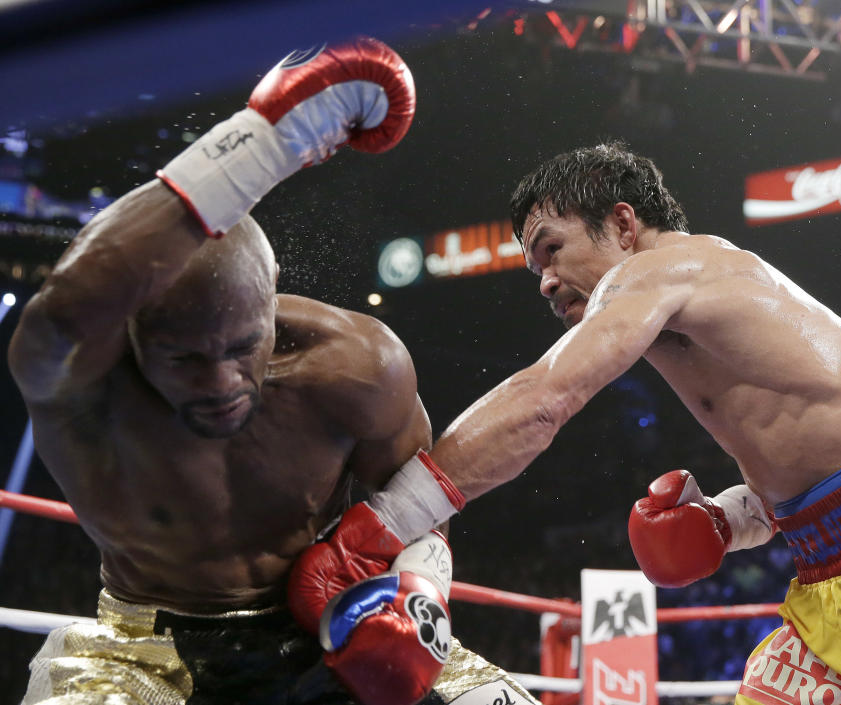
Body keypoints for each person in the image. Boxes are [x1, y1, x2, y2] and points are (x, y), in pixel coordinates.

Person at [323, 142, 841, 704]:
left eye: (553, 249)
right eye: (534, 268)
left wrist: (387, 522)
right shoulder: (696, 309)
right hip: (835, 586)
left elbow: (544, 397)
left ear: (623, 223)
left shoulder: (659, 270)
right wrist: (729, 519)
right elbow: (819, 450)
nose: (545, 282)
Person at [8, 37, 538, 705]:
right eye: (187, 358)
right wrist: (267, 142)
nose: (222, 380)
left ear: (272, 298)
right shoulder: (86, 387)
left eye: (241, 347)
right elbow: (61, 312)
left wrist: (418, 597)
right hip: (145, 648)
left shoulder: (357, 365)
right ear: (132, 333)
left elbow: (420, 505)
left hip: (324, 629)